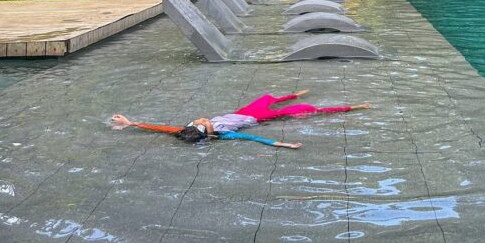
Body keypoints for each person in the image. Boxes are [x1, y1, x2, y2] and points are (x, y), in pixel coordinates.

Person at [111, 90, 371, 150]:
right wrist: (285, 145)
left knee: (268, 95)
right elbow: (254, 137)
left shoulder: (190, 130)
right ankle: (351, 107)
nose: (199, 119)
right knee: (306, 110)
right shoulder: (225, 135)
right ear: (208, 133)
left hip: (241, 111)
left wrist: (130, 122)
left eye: (196, 122)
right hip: (255, 118)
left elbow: (159, 128)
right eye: (202, 124)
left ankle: (292, 93)